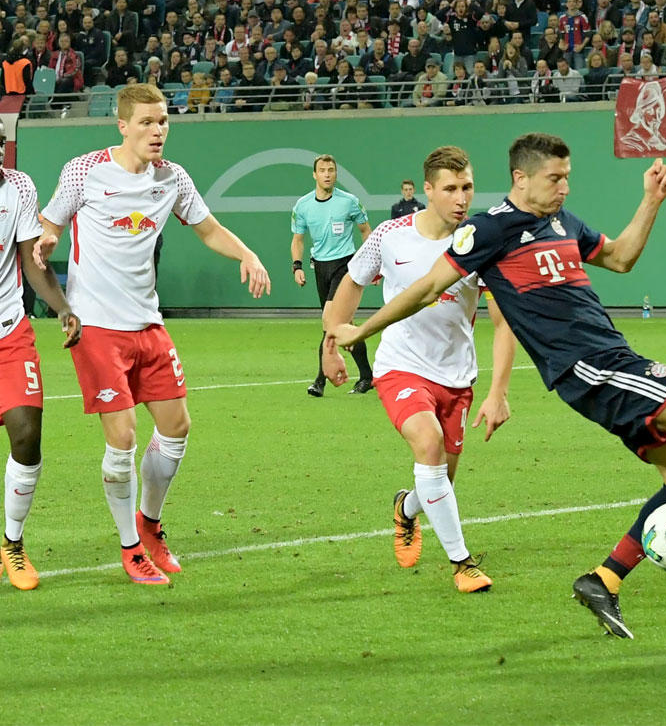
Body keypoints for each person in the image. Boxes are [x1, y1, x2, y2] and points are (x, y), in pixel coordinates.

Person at [328, 133, 666, 639]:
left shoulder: (564, 223)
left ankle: (602, 581)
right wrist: (360, 331)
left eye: (567, 177)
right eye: (554, 178)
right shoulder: (487, 230)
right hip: (589, 365)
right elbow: (428, 288)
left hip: (606, 358)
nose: (564, 187)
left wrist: (651, 202)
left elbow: (620, 258)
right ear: (521, 178)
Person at [36, 83, 270, 586]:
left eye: (163, 121)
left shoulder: (173, 178)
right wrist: (51, 236)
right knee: (122, 440)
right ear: (122, 126)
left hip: (148, 324)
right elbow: (49, 223)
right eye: (146, 122)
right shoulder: (84, 170)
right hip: (97, 326)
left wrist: (247, 254)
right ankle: (129, 548)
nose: (158, 130)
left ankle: (150, 524)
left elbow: (207, 229)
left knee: (177, 428)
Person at [322, 147, 516, 593]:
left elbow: (504, 321)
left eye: (467, 187)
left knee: (440, 481)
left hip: (457, 377)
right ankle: (463, 563)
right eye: (450, 189)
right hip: (401, 368)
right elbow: (349, 285)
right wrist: (330, 344)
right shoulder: (390, 235)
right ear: (427, 190)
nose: (460, 198)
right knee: (427, 446)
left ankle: (406, 509)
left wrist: (498, 390)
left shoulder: (480, 241)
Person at [0, 140, 82, 590]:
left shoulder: (18, 188)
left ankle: (12, 543)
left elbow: (33, 263)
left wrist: (63, 308)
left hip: (9, 331)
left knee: (27, 434)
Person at [290, 155, 373, 397]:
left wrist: (371, 263)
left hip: (345, 265)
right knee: (343, 326)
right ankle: (367, 376)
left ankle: (320, 381)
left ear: (336, 174)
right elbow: (298, 240)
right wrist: (297, 266)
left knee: (330, 321)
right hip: (320, 268)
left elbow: (366, 231)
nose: (327, 174)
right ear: (315, 175)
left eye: (331, 170)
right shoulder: (303, 205)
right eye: (323, 170)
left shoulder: (349, 202)